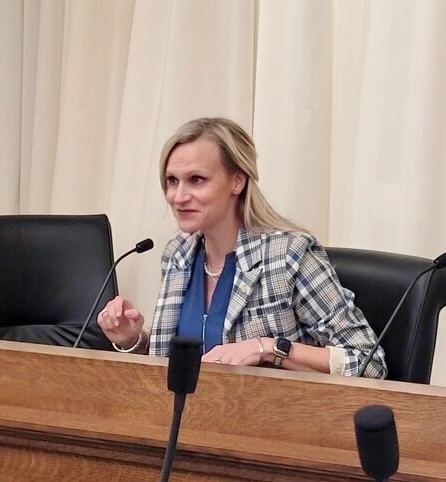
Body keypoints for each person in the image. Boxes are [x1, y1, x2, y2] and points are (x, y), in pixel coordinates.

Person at [98, 117, 387, 378]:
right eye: (172, 181)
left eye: (197, 180)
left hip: (268, 417)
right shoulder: (177, 255)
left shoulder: (288, 255)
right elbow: (183, 361)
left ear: (237, 181)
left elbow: (368, 361)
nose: (179, 196)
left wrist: (267, 349)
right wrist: (134, 340)